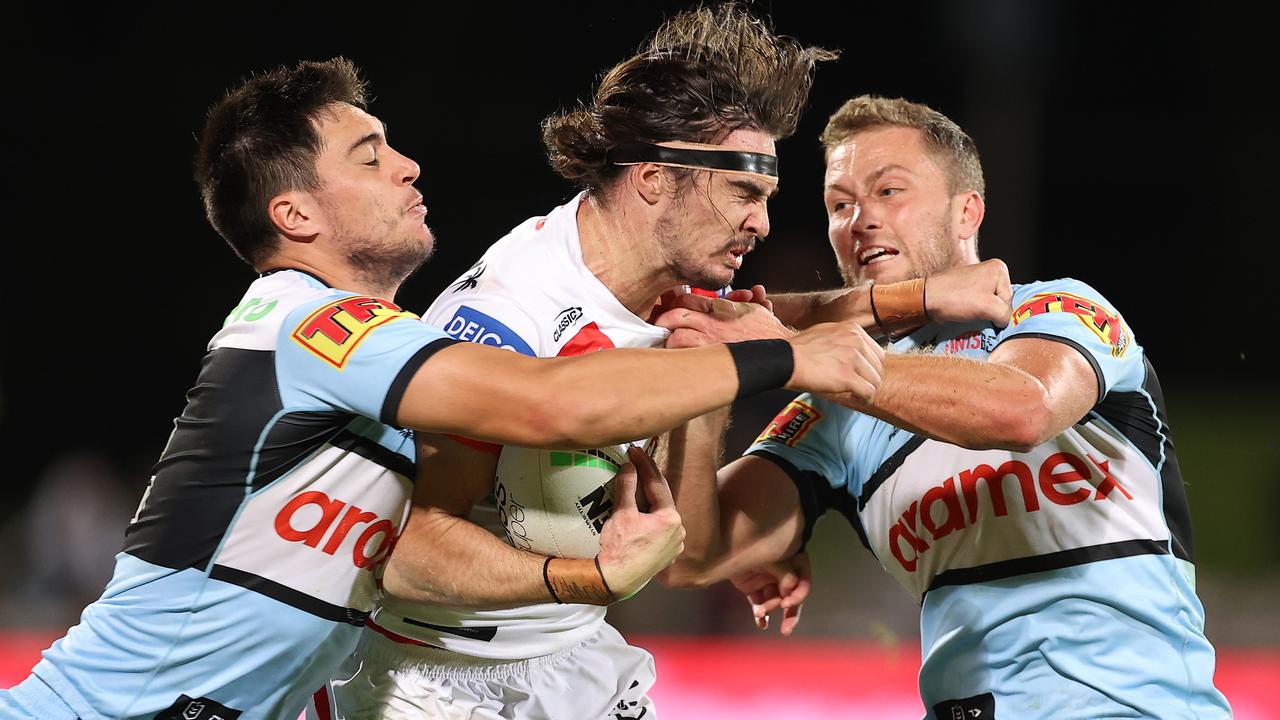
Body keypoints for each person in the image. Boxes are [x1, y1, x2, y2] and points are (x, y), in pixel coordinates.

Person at [0, 58, 885, 720]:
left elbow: (612, 349)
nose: (410, 166)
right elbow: (550, 400)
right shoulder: (308, 324)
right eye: (371, 155)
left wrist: (892, 300)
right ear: (296, 215)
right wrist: (785, 361)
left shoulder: (391, 354)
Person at [316, 7, 878, 720]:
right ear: (652, 178)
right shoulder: (506, 320)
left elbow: (683, 548)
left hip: (576, 657)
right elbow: (405, 548)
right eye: (745, 193)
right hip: (429, 681)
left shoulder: (685, 294)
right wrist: (590, 576)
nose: (762, 224)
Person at [656, 95, 1233, 719]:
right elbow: (693, 554)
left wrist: (797, 352)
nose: (861, 220)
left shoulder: (1056, 311)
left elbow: (1021, 410)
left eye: (889, 191)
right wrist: (707, 363)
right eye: (840, 205)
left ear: (967, 212)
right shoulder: (829, 410)